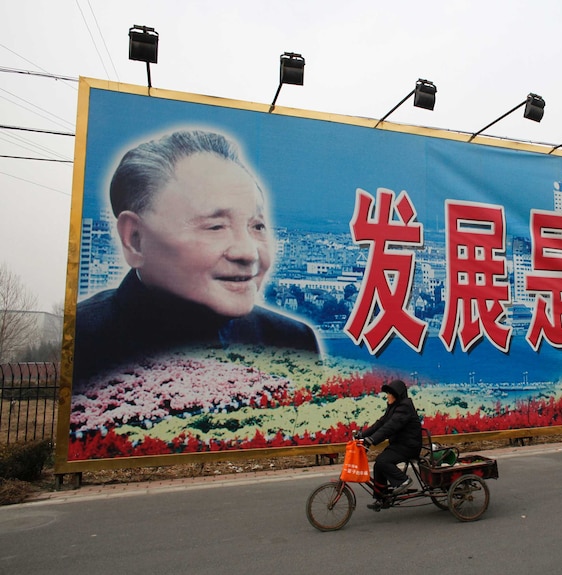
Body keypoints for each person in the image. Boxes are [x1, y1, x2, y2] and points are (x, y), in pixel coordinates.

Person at [73, 130, 319, 382]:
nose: (248, 252)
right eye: (216, 227)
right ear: (135, 239)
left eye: (257, 226)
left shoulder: (290, 341)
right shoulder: (79, 341)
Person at [357, 379, 423, 510]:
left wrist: (372, 440)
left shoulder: (404, 407)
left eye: (389, 393)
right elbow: (381, 423)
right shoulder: (394, 407)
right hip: (399, 444)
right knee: (378, 465)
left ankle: (403, 480)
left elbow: (390, 427)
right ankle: (382, 498)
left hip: (409, 446)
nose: (387, 396)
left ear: (397, 394)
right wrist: (363, 435)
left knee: (382, 461)